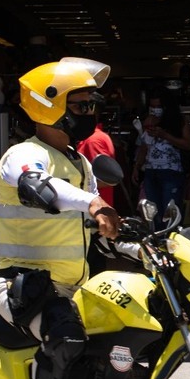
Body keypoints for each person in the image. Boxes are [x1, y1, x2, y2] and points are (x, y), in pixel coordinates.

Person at [0, 57, 121, 379]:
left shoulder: (80, 162)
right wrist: (94, 203)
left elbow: (94, 222)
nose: (90, 113)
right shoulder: (24, 155)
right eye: (82, 106)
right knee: (66, 339)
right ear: (51, 108)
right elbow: (42, 188)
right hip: (23, 285)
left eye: (92, 105)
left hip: (71, 288)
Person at [132, 88, 190, 221]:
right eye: (152, 106)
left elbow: (188, 144)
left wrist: (165, 135)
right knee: (153, 214)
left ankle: (171, 234)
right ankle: (157, 234)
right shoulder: (148, 121)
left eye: (158, 106)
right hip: (150, 172)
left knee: (170, 212)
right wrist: (137, 166)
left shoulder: (179, 121)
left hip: (172, 172)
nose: (155, 110)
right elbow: (144, 146)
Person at [76, 91, 117, 278]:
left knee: (92, 267)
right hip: (93, 211)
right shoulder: (95, 137)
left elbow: (103, 179)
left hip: (93, 215)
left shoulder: (94, 139)